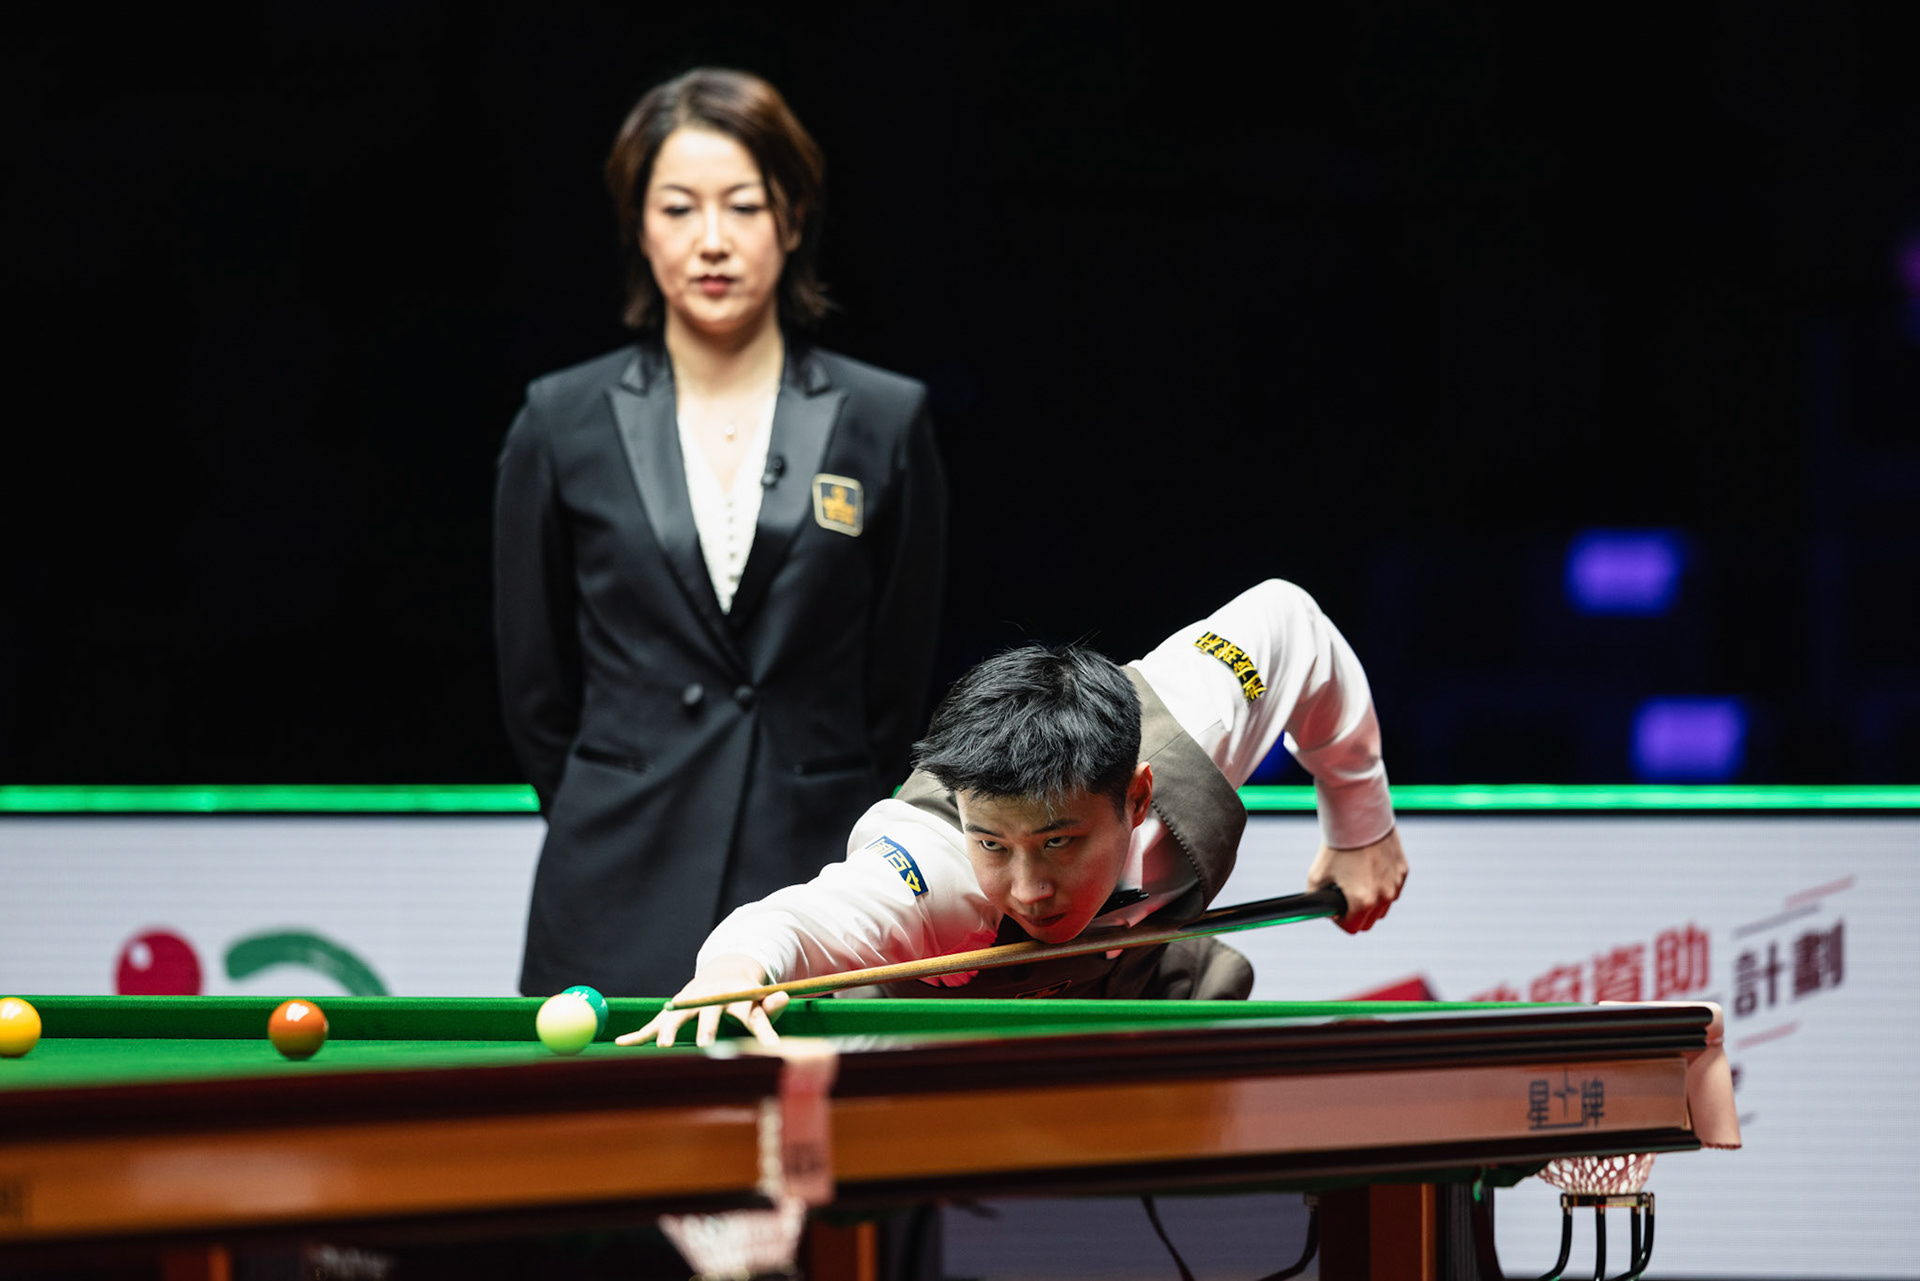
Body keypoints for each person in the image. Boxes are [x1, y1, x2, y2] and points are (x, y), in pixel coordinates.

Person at [494, 69, 948, 998]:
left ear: (792, 218)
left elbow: (899, 684)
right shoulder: (560, 418)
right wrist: (614, 784)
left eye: (744, 205)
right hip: (613, 875)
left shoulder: (884, 418)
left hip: (820, 872)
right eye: (678, 207)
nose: (712, 240)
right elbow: (534, 686)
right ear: (638, 224)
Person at [622, 578, 1407, 1047]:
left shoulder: (1191, 719)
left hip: (1147, 990)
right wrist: (732, 971)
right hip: (933, 1048)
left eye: (1059, 842)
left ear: (1135, 797)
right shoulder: (932, 869)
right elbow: (801, 919)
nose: (1028, 886)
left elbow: (1290, 621)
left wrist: (1360, 824)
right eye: (994, 841)